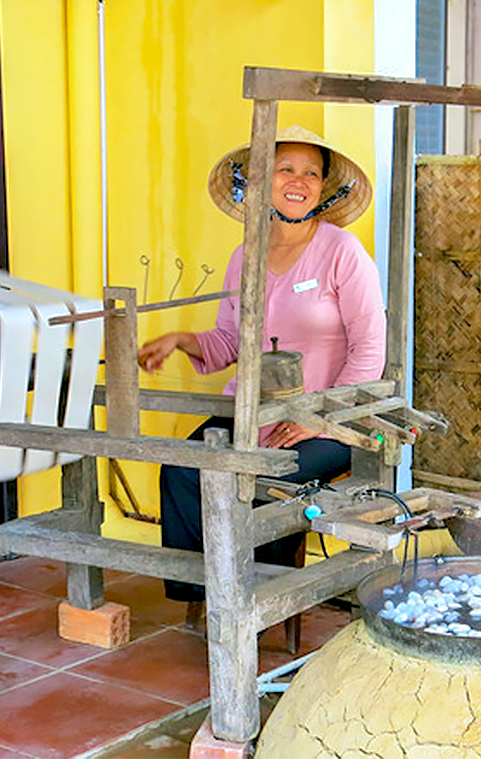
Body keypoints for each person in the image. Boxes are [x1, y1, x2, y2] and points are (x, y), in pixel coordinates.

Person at [138, 125, 386, 605]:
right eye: (285, 169)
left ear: (323, 187)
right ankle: (214, 593)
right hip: (253, 415)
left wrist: (320, 419)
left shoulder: (342, 252)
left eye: (311, 173)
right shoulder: (245, 255)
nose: (299, 181)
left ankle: (262, 600)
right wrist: (181, 340)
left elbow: (369, 348)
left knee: (263, 483)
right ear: (260, 180)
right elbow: (230, 342)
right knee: (182, 468)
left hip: (329, 426)